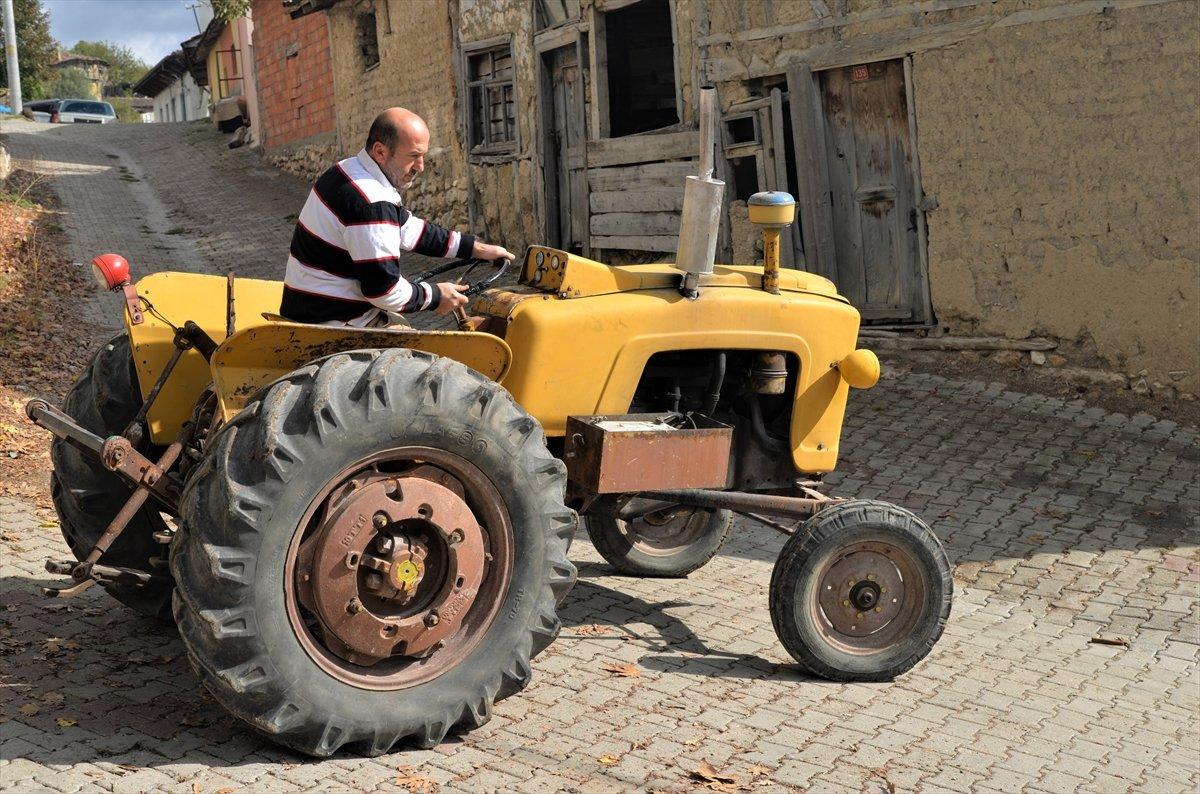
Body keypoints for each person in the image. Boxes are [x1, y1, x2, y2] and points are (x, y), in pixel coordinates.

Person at [279, 107, 514, 326]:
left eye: (423, 155)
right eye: (413, 156)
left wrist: (476, 249)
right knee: (421, 348)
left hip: (311, 306)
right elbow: (385, 292)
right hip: (333, 320)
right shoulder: (371, 202)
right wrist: (436, 295)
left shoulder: (349, 170)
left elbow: (408, 229)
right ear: (380, 151)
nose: (420, 167)